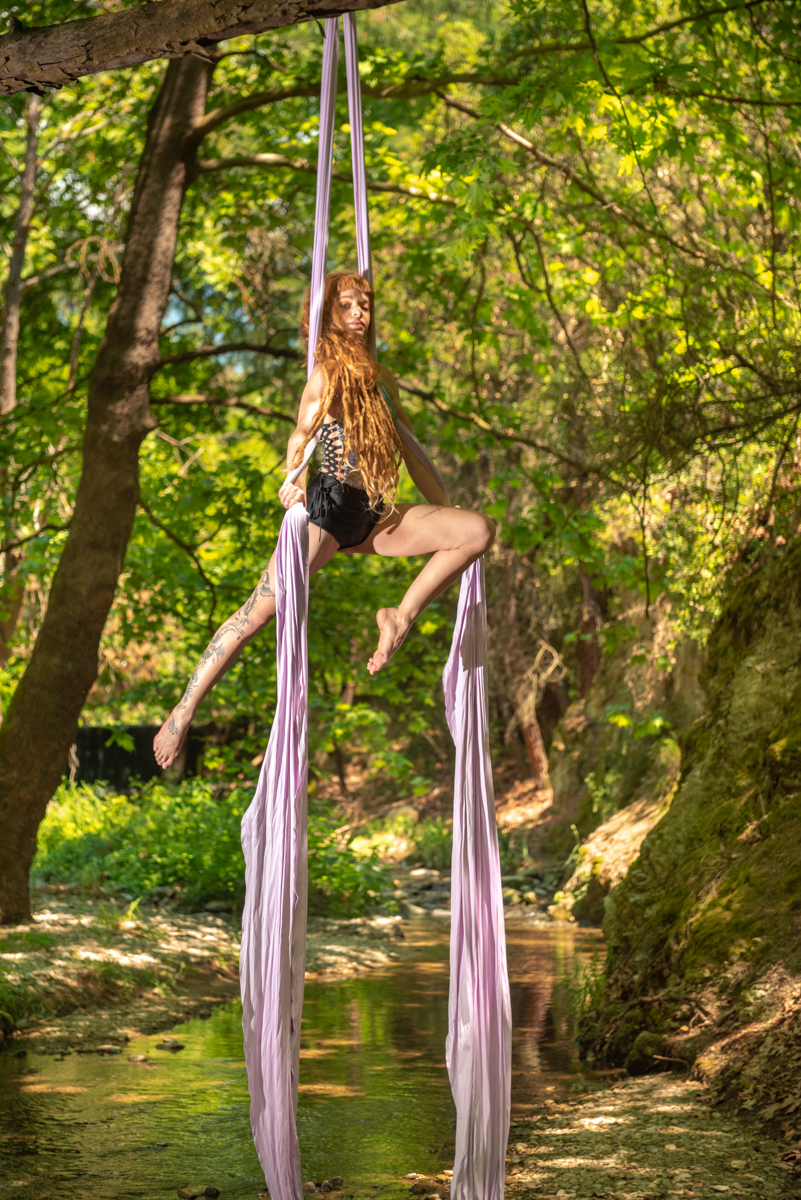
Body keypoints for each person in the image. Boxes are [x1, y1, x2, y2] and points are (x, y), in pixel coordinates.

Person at [154, 271, 495, 769]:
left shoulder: (381, 379)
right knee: (254, 616)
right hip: (329, 510)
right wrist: (291, 479)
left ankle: (399, 616)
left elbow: (412, 451)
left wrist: (444, 506)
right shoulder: (326, 375)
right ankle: (182, 712)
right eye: (348, 305)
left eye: (365, 305)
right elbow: (302, 435)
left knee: (476, 530)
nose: (359, 314)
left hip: (375, 513)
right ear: (327, 316)